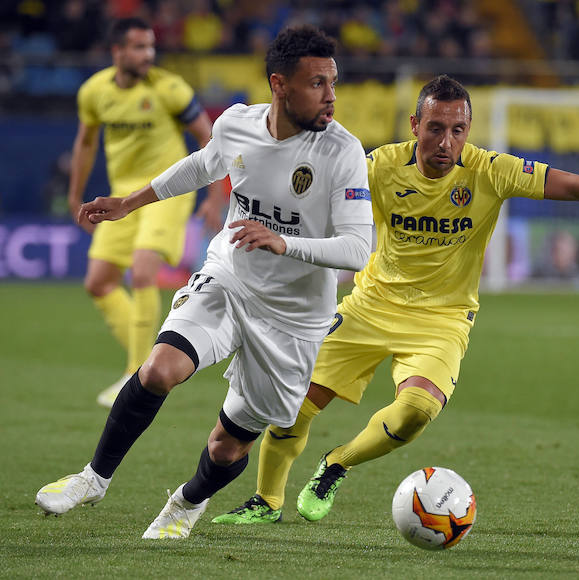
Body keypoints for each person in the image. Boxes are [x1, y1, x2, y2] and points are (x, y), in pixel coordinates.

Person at [212, 75, 579, 525]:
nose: (446, 141)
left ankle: (337, 463)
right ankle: (266, 500)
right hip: (371, 304)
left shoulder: (490, 170)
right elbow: (310, 197)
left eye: (458, 130)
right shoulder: (380, 166)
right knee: (294, 407)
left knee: (415, 412)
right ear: (414, 124)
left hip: (443, 317)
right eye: (435, 127)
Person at [34, 26, 374, 540]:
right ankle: (93, 478)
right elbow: (203, 165)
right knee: (158, 369)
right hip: (230, 278)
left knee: (227, 446)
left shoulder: (342, 152)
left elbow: (356, 248)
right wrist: (129, 202)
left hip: (294, 320)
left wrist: (285, 242)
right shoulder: (237, 124)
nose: (331, 96)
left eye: (333, 82)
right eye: (318, 83)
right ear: (279, 84)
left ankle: (187, 502)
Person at [69, 17, 224, 408]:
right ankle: (150, 358)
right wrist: (75, 196)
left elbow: (209, 138)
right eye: (139, 47)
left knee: (142, 271)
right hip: (122, 197)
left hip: (165, 191)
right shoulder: (94, 92)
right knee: (98, 282)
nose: (148, 55)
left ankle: (134, 372)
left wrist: (214, 196)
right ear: (117, 51)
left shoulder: (170, 88)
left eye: (151, 46)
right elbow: (85, 144)